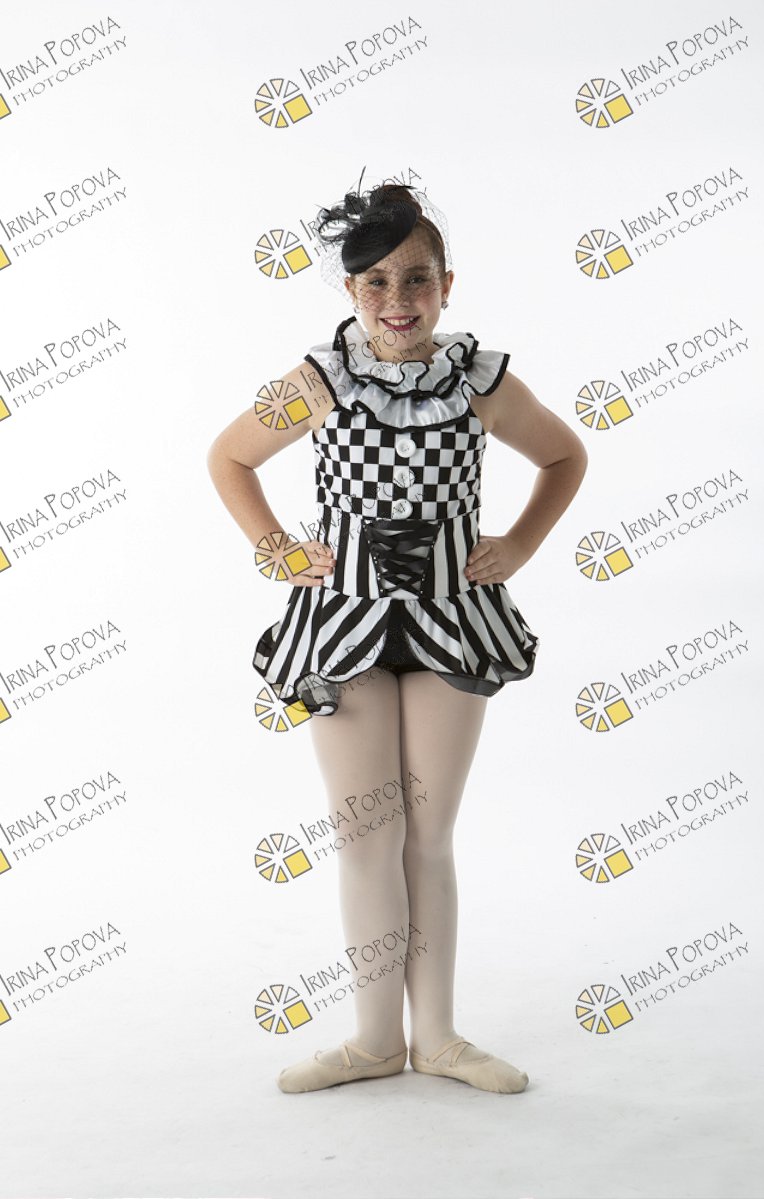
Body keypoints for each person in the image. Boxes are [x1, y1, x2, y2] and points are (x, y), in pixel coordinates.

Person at [206, 170, 588, 1095]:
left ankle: (440, 1038)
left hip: (452, 618)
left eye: (416, 278)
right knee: (363, 834)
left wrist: (518, 545)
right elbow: (229, 456)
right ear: (351, 290)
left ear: (446, 286)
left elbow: (565, 454)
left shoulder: (481, 382)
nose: (398, 299)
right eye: (376, 281)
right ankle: (376, 1038)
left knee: (429, 836)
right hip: (346, 620)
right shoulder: (321, 380)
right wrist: (277, 551)